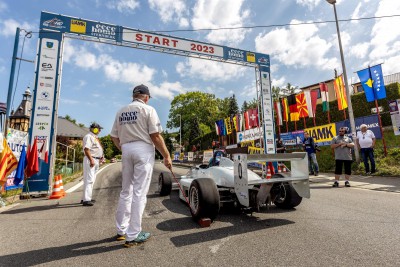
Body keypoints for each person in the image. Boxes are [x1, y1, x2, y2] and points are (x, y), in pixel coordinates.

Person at [110, 84, 172, 248]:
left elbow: (113, 136)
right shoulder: (148, 110)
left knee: (126, 191)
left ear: (134, 96)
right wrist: (166, 155)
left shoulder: (121, 111)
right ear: (146, 97)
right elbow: (155, 136)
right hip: (143, 149)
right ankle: (133, 234)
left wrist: (122, 148)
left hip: (126, 149)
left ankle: (121, 230)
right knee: (139, 192)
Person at [82, 123, 104, 206]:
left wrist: (101, 157)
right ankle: (86, 199)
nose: (100, 130)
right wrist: (91, 160)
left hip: (95, 160)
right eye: (98, 129)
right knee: (89, 180)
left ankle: (85, 198)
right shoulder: (89, 137)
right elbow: (86, 149)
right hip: (91, 159)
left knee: (90, 179)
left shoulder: (94, 137)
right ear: (94, 129)